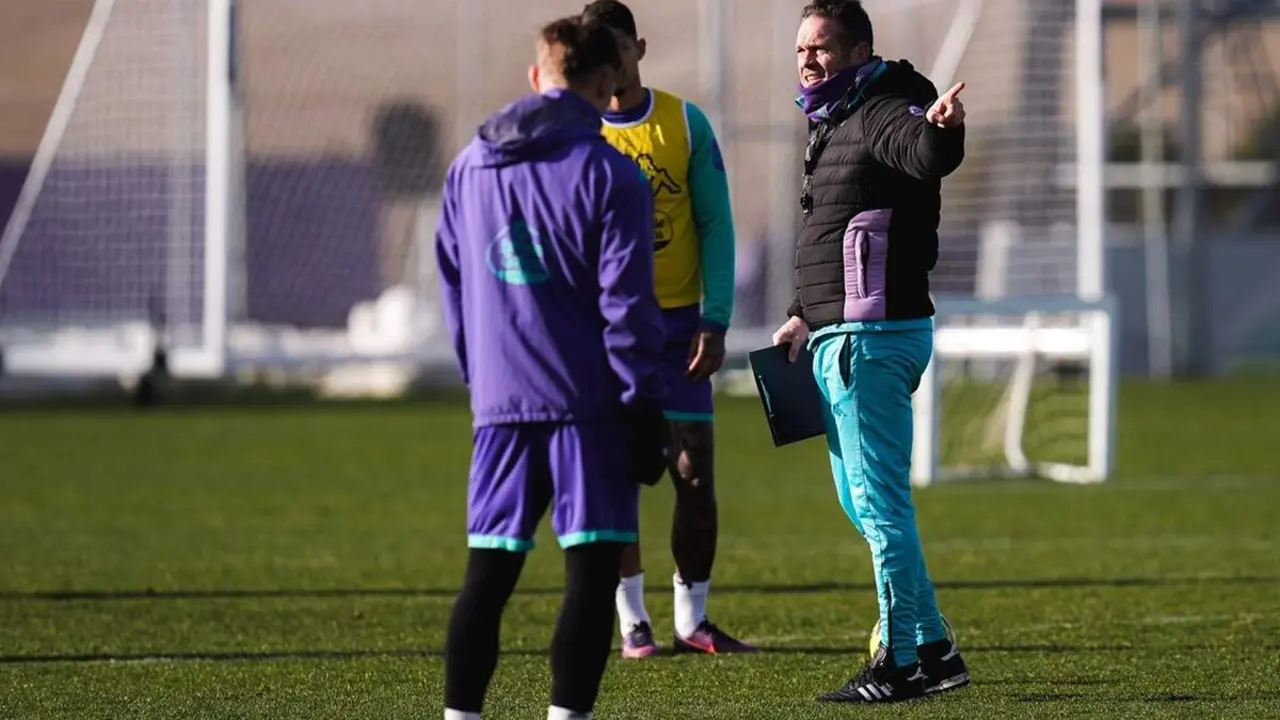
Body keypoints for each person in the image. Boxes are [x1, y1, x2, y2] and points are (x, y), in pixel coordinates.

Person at [436, 15, 668, 720]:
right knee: (592, 580)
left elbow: (452, 282)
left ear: (538, 76)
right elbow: (625, 305)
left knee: (489, 574)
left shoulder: (467, 166)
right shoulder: (610, 173)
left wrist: (484, 379)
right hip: (588, 409)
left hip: (501, 408)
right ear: (607, 82)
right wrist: (644, 403)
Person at [770, 0, 971, 704]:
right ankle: (937, 648)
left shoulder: (886, 105)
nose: (806, 58)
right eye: (800, 47)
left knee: (881, 509)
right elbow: (837, 228)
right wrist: (802, 315)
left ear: (858, 52)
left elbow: (923, 151)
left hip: (872, 338)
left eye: (820, 47)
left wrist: (944, 130)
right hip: (844, 332)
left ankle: (898, 661)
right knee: (863, 505)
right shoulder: (835, 117)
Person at [579, 0, 755, 659]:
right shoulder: (577, 131)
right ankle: (633, 624)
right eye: (597, 52)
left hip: (681, 329)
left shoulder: (684, 122)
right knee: (618, 476)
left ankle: (693, 619)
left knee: (694, 472)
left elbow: (716, 224)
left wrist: (716, 318)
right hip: (606, 335)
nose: (611, 62)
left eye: (618, 48)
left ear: (639, 48)